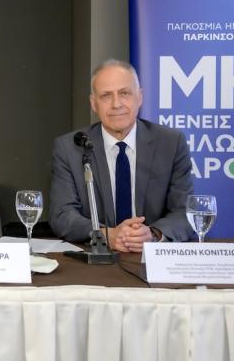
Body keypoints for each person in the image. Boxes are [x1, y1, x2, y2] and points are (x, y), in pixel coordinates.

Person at [50, 59, 194, 252]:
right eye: (106, 96)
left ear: (139, 97)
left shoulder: (171, 143)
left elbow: (185, 212)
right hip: (97, 258)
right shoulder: (71, 147)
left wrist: (152, 234)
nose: (116, 104)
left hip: (152, 257)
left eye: (124, 93)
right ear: (94, 104)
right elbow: (62, 215)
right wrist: (107, 235)